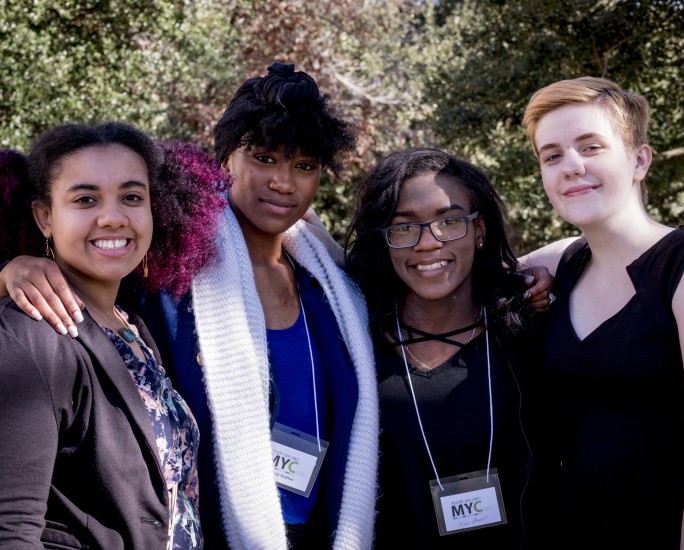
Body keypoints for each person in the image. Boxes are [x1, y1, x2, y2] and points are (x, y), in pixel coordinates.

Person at [0, 63, 379, 550]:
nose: (284, 182)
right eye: (264, 158)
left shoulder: (333, 287)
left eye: (304, 166)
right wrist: (8, 269)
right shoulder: (169, 274)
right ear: (225, 161)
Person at [0, 122, 226, 548]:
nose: (113, 216)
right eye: (85, 199)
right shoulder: (31, 337)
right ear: (44, 217)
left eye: (132, 197)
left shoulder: (132, 326)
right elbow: (9, 531)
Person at [519, 77, 684, 549]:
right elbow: (450, 272)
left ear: (639, 160)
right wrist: (306, 226)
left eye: (591, 147)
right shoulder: (561, 261)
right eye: (552, 155)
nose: (571, 166)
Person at [341, 147, 548, 549]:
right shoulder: (352, 342)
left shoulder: (528, 335)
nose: (428, 243)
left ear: (480, 230)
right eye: (404, 227)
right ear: (383, 241)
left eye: (449, 221)